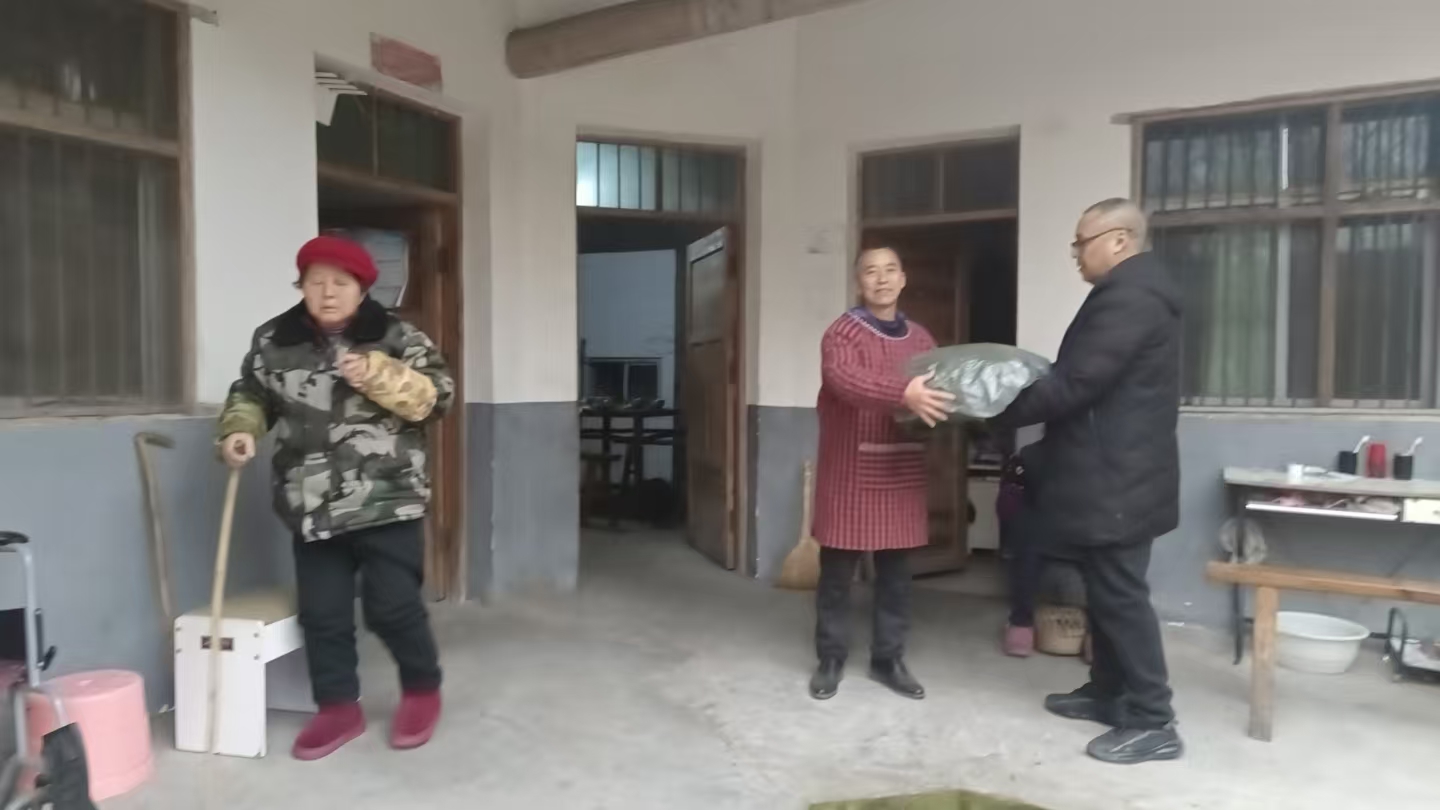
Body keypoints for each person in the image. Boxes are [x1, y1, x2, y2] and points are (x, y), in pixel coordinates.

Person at [218, 235, 454, 761]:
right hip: (311, 503)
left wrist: (380, 374)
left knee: (392, 606)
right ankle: (338, 707)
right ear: (301, 285)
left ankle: (422, 689)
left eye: (340, 283)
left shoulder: (395, 336)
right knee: (322, 614)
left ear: (362, 289)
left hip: (387, 498)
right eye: (316, 282)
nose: (327, 292)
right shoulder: (273, 339)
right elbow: (251, 393)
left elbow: (438, 398)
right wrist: (240, 429)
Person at [992, 198, 1183, 764]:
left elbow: (1076, 382)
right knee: (1104, 592)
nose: (1076, 253)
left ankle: (1153, 719)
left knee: (1121, 596)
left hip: (1119, 478)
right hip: (1114, 474)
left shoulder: (1130, 298)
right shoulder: (1130, 293)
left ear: (1119, 240)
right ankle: (1108, 691)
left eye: (1082, 241)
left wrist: (995, 409)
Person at [809, 246, 955, 701]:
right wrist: (903, 394)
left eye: (891, 270)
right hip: (849, 467)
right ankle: (830, 657)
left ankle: (888, 659)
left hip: (900, 464)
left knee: (896, 576)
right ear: (859, 283)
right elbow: (843, 379)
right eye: (871, 272)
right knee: (837, 574)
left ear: (903, 279)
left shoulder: (922, 339)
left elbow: (938, 390)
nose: (882, 279)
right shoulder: (842, 332)